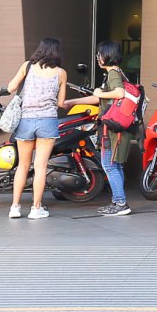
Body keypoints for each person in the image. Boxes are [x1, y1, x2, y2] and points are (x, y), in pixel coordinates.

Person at [63, 40, 133, 217]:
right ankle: (118, 201)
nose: (97, 57)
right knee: (115, 166)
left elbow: (119, 93)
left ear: (107, 55)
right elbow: (98, 99)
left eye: (99, 54)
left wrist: (100, 93)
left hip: (112, 129)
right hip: (117, 128)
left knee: (109, 166)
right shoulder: (117, 73)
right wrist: (72, 102)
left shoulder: (113, 74)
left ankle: (120, 203)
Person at [5, 37, 69, 220]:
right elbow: (61, 103)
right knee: (40, 166)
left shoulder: (27, 66)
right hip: (47, 121)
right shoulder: (61, 73)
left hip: (26, 120)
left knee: (23, 165)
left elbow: (10, 87)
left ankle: (15, 207)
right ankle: (36, 208)